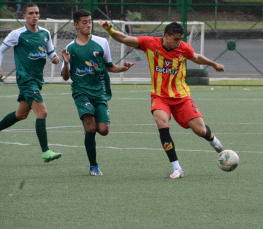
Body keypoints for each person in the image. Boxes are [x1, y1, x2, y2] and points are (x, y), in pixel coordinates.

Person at [99, 20, 225, 179]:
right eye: (176, 39)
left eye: (180, 39)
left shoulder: (183, 48)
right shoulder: (150, 44)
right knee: (162, 123)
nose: (179, 42)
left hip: (181, 97)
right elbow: (124, 38)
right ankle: (177, 168)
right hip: (159, 96)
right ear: (166, 36)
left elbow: (196, 57)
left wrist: (213, 64)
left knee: (200, 130)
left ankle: (213, 140)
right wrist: (109, 30)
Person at [61, 9, 135, 176]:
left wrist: (122, 68)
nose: (88, 25)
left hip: (99, 91)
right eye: (84, 22)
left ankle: (90, 122)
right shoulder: (70, 48)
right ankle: (93, 165)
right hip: (81, 92)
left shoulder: (102, 42)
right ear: (76, 25)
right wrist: (66, 64)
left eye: (90, 22)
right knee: (91, 127)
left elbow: (109, 66)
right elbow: (66, 77)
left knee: (103, 130)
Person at [0, 3, 62, 162]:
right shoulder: (17, 34)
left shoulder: (45, 33)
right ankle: (46, 152)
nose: (35, 16)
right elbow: (1, 50)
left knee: (20, 114)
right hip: (26, 80)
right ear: (24, 16)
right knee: (42, 112)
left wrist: (55, 58)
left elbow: (51, 53)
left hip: (37, 80)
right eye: (31, 13)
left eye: (37, 13)